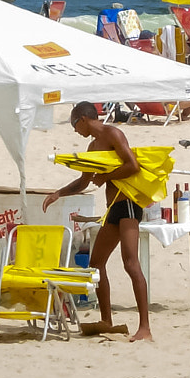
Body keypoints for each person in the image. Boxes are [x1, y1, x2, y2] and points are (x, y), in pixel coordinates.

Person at [41, 101, 153, 341]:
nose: (74, 130)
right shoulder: (92, 147)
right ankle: (106, 320)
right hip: (113, 208)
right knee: (96, 262)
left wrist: (107, 176)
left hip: (129, 205)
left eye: (74, 124)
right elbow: (84, 181)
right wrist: (58, 193)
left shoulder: (113, 133)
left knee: (131, 264)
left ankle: (145, 327)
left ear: (83, 119)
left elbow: (132, 165)